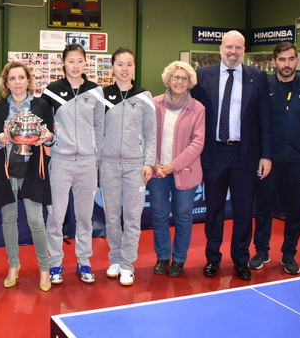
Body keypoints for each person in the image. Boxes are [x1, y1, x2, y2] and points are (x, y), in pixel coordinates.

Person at [191, 30, 272, 280]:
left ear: (244, 50)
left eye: (238, 47)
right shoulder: (203, 76)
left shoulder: (257, 77)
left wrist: (266, 155)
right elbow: (193, 116)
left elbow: (264, 119)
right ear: (221, 48)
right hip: (214, 154)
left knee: (243, 211)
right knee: (213, 210)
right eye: (229, 47)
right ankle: (213, 258)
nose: (233, 52)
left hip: (244, 155)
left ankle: (241, 260)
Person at [249, 42, 300, 275]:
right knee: (264, 207)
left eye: (290, 59)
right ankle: (261, 250)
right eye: (281, 59)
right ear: (274, 61)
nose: (286, 64)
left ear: (297, 61)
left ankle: (289, 254)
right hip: (270, 160)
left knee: (295, 210)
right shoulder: (263, 84)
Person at [0, 62, 54, 291]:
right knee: (9, 219)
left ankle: (44, 268)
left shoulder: (42, 105)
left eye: (21, 78)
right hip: (5, 170)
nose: (17, 82)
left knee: (36, 220)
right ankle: (13, 265)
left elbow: (50, 137)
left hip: (33, 170)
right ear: (6, 83)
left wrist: (49, 137)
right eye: (12, 79)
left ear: (28, 80)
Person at [41, 43, 105, 284]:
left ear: (85, 62)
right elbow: (44, 126)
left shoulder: (95, 91)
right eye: (71, 61)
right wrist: (52, 145)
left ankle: (84, 262)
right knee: (55, 216)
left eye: (80, 60)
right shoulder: (52, 91)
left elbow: (99, 126)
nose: (75, 65)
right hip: (60, 161)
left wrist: (96, 155)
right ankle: (55, 264)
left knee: (85, 217)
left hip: (88, 162)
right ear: (63, 63)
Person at [99, 48, 155, 286]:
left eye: (129, 64)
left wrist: (149, 162)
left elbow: (152, 132)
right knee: (111, 216)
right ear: (112, 67)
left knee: (132, 217)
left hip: (135, 165)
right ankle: (115, 259)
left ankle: (127, 265)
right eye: (120, 64)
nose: (124, 69)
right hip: (108, 164)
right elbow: (93, 129)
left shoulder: (144, 96)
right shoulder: (100, 95)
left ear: (134, 67)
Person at [149, 60, 205, 278]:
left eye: (184, 78)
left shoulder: (198, 109)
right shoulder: (154, 104)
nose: (179, 81)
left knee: (183, 216)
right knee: (159, 215)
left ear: (190, 83)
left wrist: (173, 166)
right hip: (157, 171)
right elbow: (146, 136)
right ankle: (163, 256)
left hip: (184, 171)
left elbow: (197, 143)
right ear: (168, 80)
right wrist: (155, 163)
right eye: (176, 77)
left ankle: (179, 259)